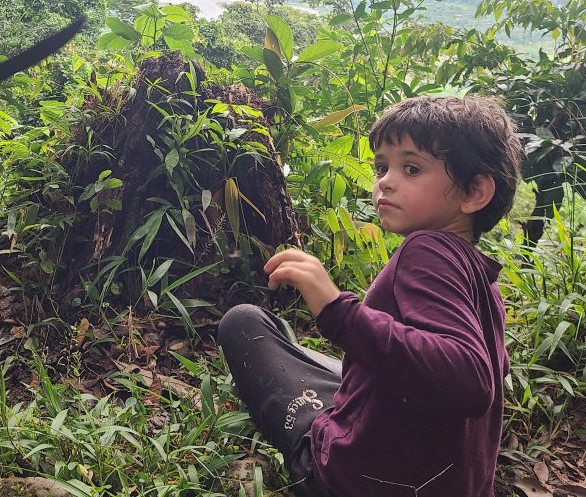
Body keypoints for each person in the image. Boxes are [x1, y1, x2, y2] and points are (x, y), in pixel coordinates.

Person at [218, 96, 522, 497]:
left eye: (411, 168)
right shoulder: (480, 277)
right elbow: (491, 371)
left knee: (244, 322)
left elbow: (470, 380)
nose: (385, 181)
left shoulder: (426, 249)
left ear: (475, 192)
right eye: (382, 167)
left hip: (350, 481)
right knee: (345, 369)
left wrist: (336, 308)